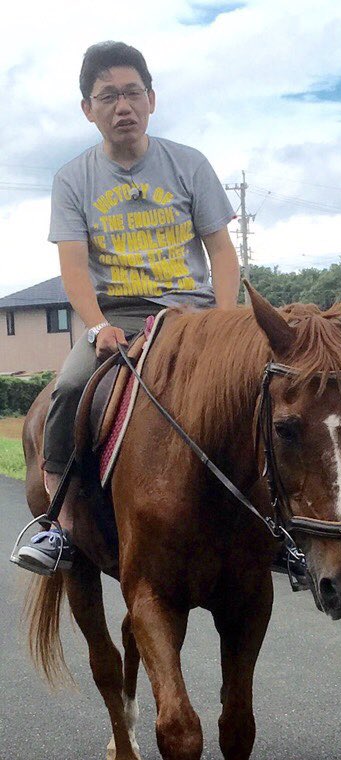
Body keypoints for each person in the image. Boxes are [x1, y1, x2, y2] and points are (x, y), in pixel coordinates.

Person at [15, 40, 240, 576]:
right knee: (69, 390)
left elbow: (222, 252)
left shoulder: (190, 164)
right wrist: (96, 328)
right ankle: (60, 525)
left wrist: (225, 321)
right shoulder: (73, 178)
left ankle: (284, 526)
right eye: (108, 96)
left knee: (273, 385)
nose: (123, 106)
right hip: (119, 316)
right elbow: (73, 268)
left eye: (133, 93)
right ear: (87, 109)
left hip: (195, 314)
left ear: (152, 99)